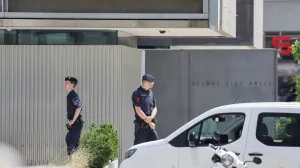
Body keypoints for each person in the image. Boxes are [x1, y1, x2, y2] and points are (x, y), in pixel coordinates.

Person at [131, 74, 159, 145]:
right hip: (141, 127)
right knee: (140, 147)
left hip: (151, 126)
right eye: (151, 81)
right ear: (146, 82)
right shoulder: (137, 93)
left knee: (156, 145)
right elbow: (138, 110)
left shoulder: (151, 93)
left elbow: (154, 107)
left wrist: (151, 117)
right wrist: (148, 121)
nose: (153, 83)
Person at [64, 77, 84, 156]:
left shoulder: (73, 95)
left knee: (73, 144)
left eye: (67, 83)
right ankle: (73, 161)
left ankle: (75, 162)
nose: (65, 84)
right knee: (68, 139)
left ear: (72, 85)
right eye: (65, 82)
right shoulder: (70, 95)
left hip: (76, 123)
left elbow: (78, 108)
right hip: (74, 123)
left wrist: (72, 121)